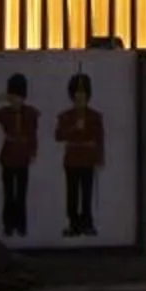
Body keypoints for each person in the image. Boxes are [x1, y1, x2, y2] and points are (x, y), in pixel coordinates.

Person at [0, 75, 40, 240]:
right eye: (13, 97)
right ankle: (8, 225)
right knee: (9, 194)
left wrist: (32, 152)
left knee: (21, 194)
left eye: (19, 97)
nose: (16, 100)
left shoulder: (30, 113)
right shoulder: (5, 112)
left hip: (22, 156)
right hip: (8, 156)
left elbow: (33, 135)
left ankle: (21, 226)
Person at [55, 72, 106, 239]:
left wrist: (99, 158)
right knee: (72, 193)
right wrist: (74, 128)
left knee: (86, 193)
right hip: (72, 158)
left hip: (88, 158)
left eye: (83, 94)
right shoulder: (65, 116)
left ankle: (87, 223)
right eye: (77, 94)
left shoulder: (95, 116)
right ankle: (73, 224)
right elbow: (59, 135)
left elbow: (99, 138)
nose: (80, 98)